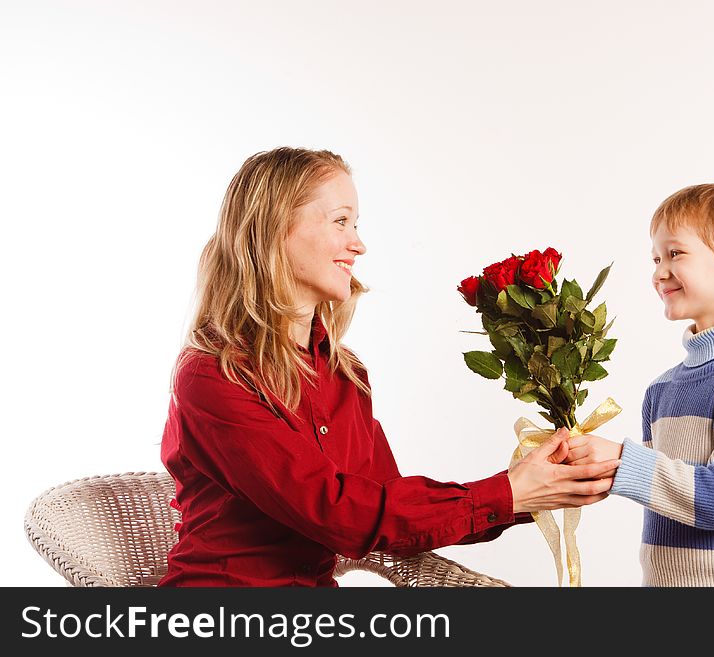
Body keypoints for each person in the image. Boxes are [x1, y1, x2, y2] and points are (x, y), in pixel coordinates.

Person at [159, 147, 620, 586]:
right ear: (274, 228)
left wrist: (535, 486)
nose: (358, 244)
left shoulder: (344, 374)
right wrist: (508, 493)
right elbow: (341, 514)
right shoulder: (213, 374)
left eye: (355, 224)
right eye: (341, 221)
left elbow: (387, 507)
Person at [565, 183, 714, 586]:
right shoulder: (662, 389)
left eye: (674, 253)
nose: (658, 272)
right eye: (655, 258)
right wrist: (592, 467)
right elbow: (667, 491)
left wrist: (621, 461)